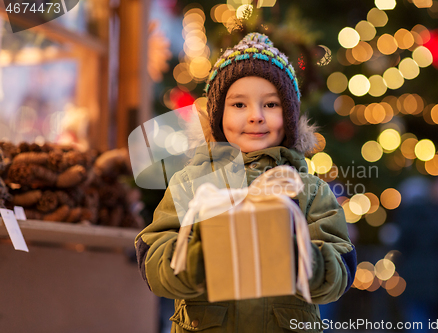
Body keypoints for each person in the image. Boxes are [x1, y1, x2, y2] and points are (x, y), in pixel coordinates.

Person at [135, 32, 356, 332]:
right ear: (217, 115)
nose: (256, 117)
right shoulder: (189, 183)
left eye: (271, 105)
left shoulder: (308, 190)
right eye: (239, 105)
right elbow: (153, 256)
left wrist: (299, 258)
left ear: (289, 117)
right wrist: (198, 257)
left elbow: (340, 268)